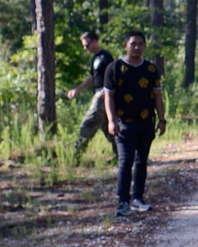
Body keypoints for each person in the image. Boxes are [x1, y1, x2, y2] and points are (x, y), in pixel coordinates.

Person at [103, 30, 166, 218]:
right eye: (133, 44)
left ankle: (138, 197)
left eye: (140, 44)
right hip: (123, 124)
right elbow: (109, 97)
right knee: (125, 161)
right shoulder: (114, 69)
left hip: (146, 122)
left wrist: (162, 119)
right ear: (125, 46)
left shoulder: (151, 69)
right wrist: (111, 120)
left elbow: (157, 96)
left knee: (142, 161)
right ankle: (123, 201)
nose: (137, 47)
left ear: (145, 46)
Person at [67, 31, 115, 161]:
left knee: (88, 123)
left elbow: (114, 76)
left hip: (104, 94)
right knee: (107, 127)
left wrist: (109, 94)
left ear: (94, 42)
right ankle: (122, 155)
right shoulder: (94, 59)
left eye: (86, 45)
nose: (85, 48)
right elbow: (92, 78)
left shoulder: (106, 57)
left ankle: (75, 156)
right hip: (98, 93)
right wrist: (77, 90)